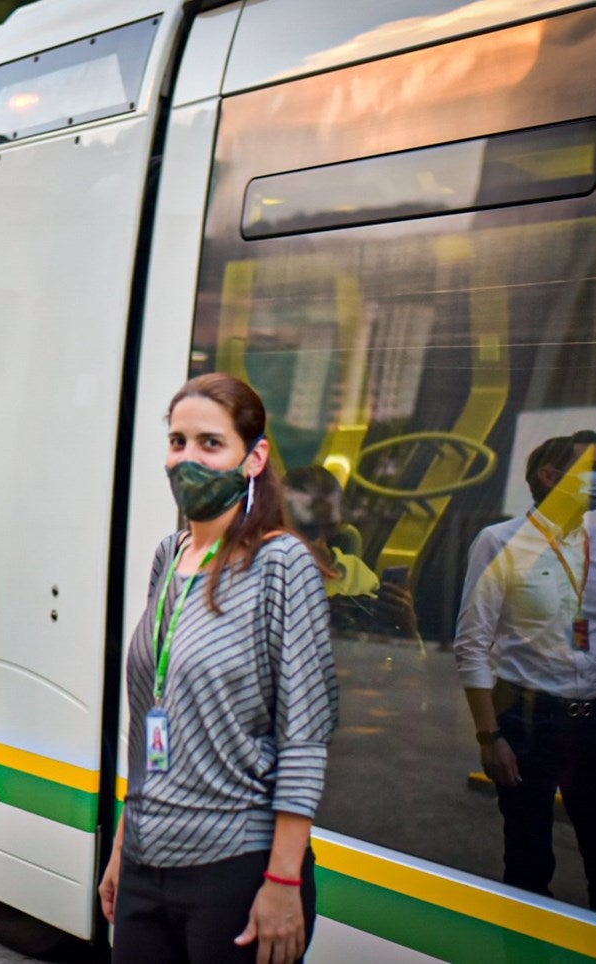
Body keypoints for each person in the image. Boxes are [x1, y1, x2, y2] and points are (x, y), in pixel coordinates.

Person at [98, 373, 339, 964]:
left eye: (210, 443)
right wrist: (123, 843)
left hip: (235, 867)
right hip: (146, 861)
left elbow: (304, 738)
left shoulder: (283, 565)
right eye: (177, 442)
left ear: (253, 458)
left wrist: (283, 883)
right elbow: (151, 718)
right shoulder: (170, 555)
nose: (188, 460)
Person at [454, 429, 596, 912]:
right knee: (529, 862)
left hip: (593, 723)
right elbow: (471, 645)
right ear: (551, 477)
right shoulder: (499, 542)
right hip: (527, 720)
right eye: (594, 468)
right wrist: (490, 738)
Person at [284, 464, 419, 642]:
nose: (318, 540)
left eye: (327, 527)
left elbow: (405, 661)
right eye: (307, 529)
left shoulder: (357, 577)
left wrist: (407, 628)